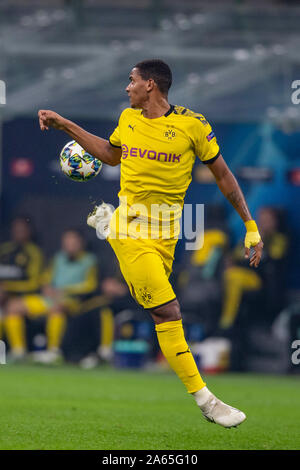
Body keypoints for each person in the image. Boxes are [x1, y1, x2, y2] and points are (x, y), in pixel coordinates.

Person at [38, 59, 263, 428]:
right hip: (131, 232)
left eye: (131, 81)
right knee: (168, 311)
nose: (127, 88)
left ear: (151, 86)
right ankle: (206, 400)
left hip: (166, 236)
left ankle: (108, 224)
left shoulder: (193, 125)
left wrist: (250, 225)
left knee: (162, 312)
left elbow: (222, 174)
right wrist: (66, 124)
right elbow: (111, 154)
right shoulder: (127, 120)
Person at [3, 228, 98, 363]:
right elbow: (45, 278)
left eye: (73, 242)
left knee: (57, 309)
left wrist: (65, 290)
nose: (69, 245)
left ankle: (54, 351)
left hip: (72, 301)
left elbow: (91, 285)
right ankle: (19, 351)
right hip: (49, 299)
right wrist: (47, 287)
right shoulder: (58, 258)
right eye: (67, 241)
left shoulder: (89, 261)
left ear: (81, 243)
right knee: (13, 307)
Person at [0, 216, 44, 358]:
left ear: (29, 231)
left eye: (22, 229)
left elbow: (34, 283)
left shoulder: (34, 252)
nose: (19, 232)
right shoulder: (4, 250)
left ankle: (19, 352)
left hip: (25, 298)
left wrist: (7, 288)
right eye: (16, 229)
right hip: (3, 299)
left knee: (12, 308)